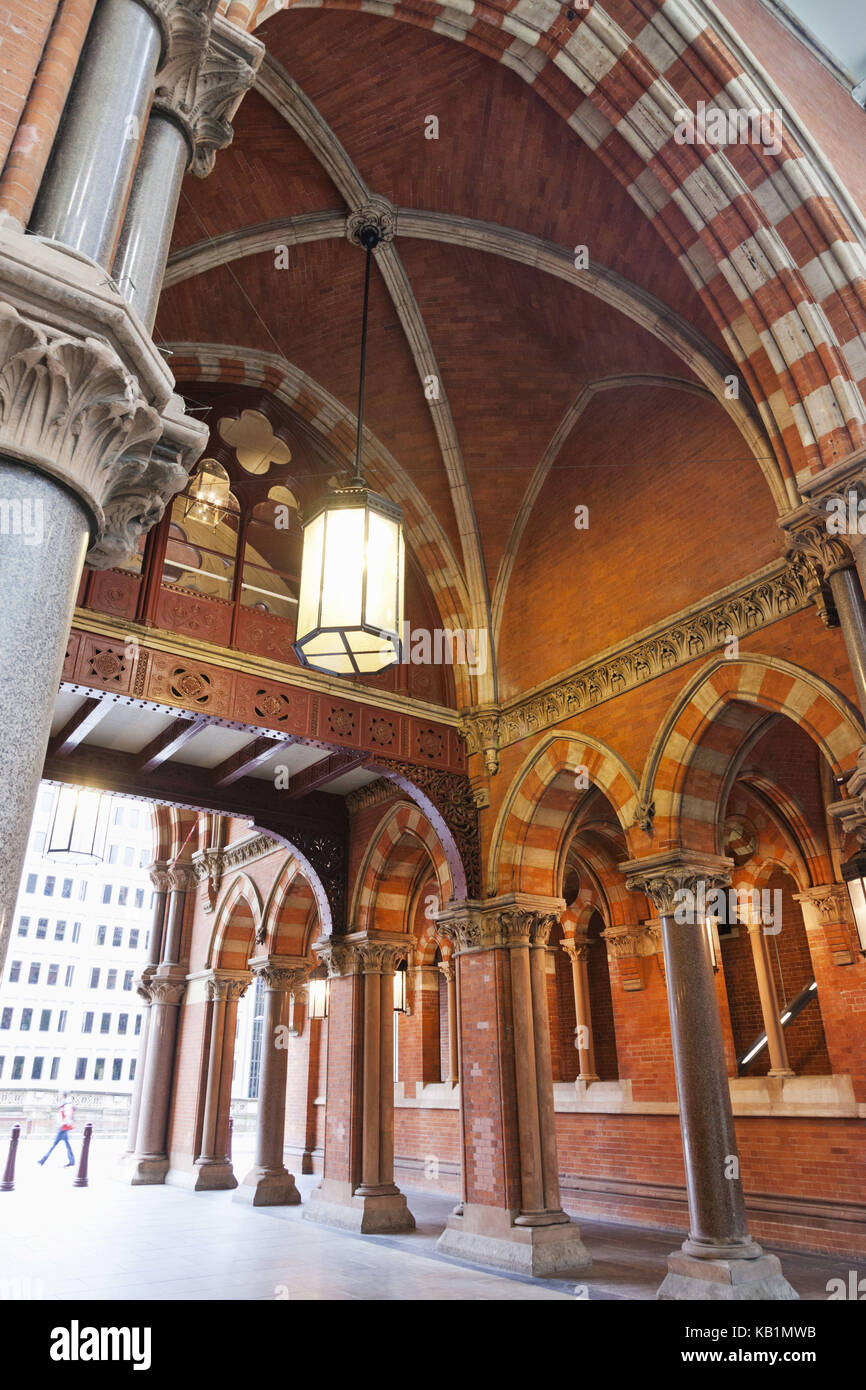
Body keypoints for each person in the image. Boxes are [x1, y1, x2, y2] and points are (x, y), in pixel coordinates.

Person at [39, 1093, 75, 1168]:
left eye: (61, 1095)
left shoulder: (67, 1105)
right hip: (63, 1127)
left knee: (54, 1144)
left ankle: (43, 1159)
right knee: (67, 1144)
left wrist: (63, 1124)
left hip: (63, 1127)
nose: (59, 1096)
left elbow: (67, 1116)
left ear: (64, 1096)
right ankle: (72, 1160)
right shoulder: (65, 1104)